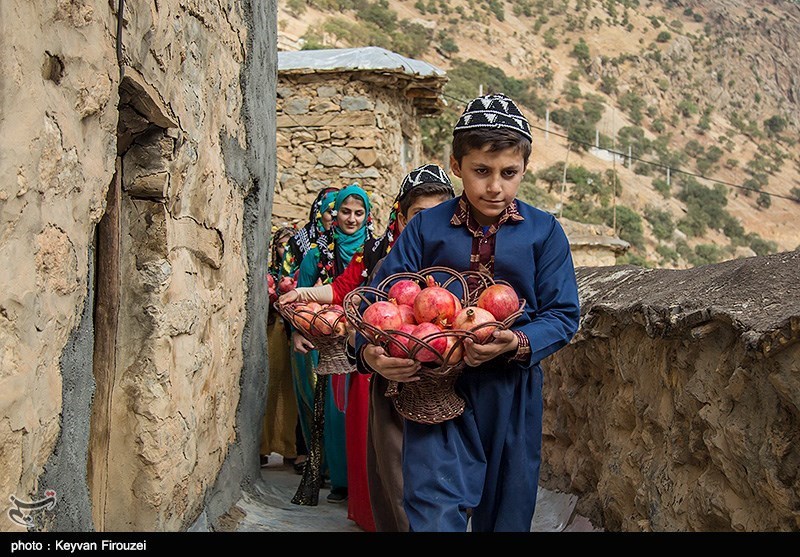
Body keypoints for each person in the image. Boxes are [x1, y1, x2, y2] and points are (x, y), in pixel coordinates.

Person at [356, 93, 581, 532]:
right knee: (432, 506)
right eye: (482, 171)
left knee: (506, 512)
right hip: (434, 390)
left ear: (524, 170)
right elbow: (378, 299)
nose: (495, 186)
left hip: (511, 394)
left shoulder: (544, 233)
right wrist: (371, 352)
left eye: (508, 173)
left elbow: (562, 314)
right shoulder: (426, 227)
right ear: (457, 166)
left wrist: (515, 341)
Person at [279, 164, 455, 531]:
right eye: (418, 216)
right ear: (400, 215)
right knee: (388, 462)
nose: (429, 225)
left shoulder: (457, 259)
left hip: (445, 378)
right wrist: (305, 295)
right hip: (384, 371)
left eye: (439, 214)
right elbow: (345, 289)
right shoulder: (380, 255)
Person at [291, 184, 375, 506]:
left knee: (362, 412)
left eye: (358, 213)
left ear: (367, 216)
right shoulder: (317, 252)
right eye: (345, 211)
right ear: (334, 213)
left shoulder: (373, 251)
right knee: (335, 413)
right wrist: (299, 333)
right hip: (328, 347)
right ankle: (340, 482)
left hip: (364, 343)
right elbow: (300, 295)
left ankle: (364, 482)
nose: (351, 219)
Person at [282, 186, 339, 475]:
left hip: (340, 333)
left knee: (336, 403)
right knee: (310, 395)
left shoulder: (357, 245)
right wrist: (297, 328)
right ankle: (313, 457)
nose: (336, 216)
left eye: (339, 209)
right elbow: (285, 283)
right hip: (305, 328)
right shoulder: (302, 245)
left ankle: (337, 465)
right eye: (330, 210)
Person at [260, 225, 299, 468]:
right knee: (271, 384)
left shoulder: (301, 274)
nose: (285, 250)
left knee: (292, 390)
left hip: (296, 333)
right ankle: (263, 446)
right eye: (281, 245)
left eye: (289, 245)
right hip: (274, 331)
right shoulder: (269, 274)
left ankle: (290, 447)